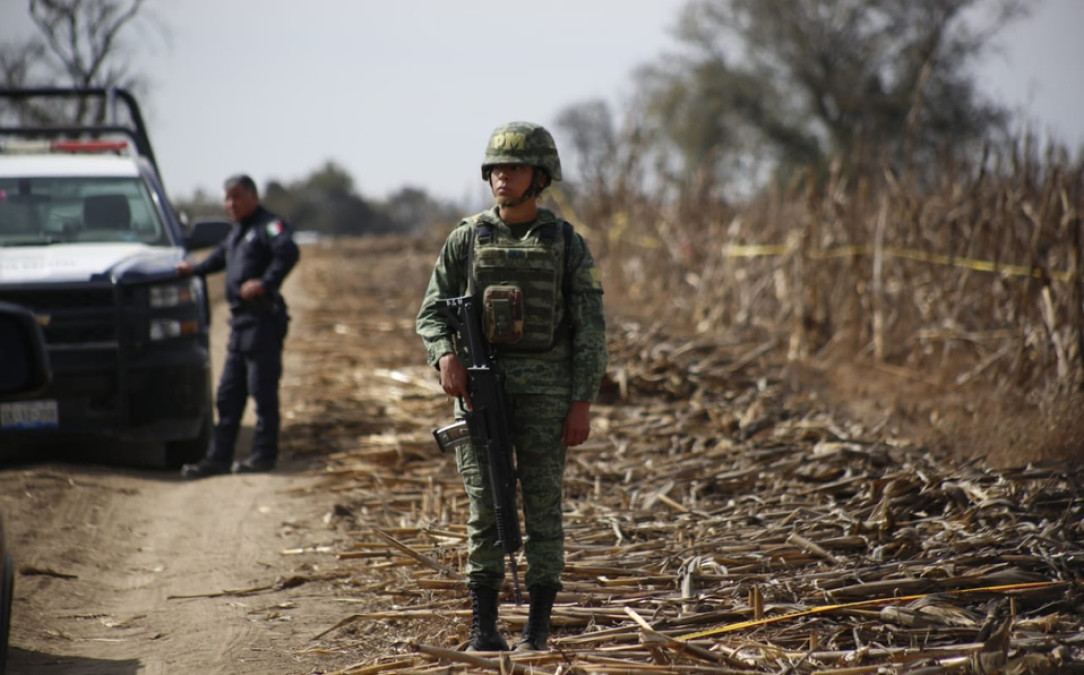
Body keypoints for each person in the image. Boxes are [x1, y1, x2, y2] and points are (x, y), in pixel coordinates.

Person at [416, 122, 608, 651]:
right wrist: (446, 357)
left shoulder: (566, 242)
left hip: (548, 397)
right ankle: (483, 625)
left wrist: (581, 403)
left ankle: (539, 626)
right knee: (487, 505)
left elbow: (591, 328)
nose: (503, 176)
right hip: (481, 393)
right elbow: (431, 311)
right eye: (497, 168)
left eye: (515, 167)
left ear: (540, 177)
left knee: (543, 506)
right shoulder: (468, 237)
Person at [177, 174, 300, 478]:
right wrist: (193, 269)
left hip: (262, 321)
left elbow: (289, 251)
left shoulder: (268, 225)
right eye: (227, 198)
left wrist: (265, 283)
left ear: (253, 197)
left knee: (262, 391)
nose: (230, 204)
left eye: (236, 197)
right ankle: (218, 458)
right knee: (228, 395)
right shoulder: (237, 233)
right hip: (240, 324)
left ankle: (263, 456)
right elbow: (218, 259)